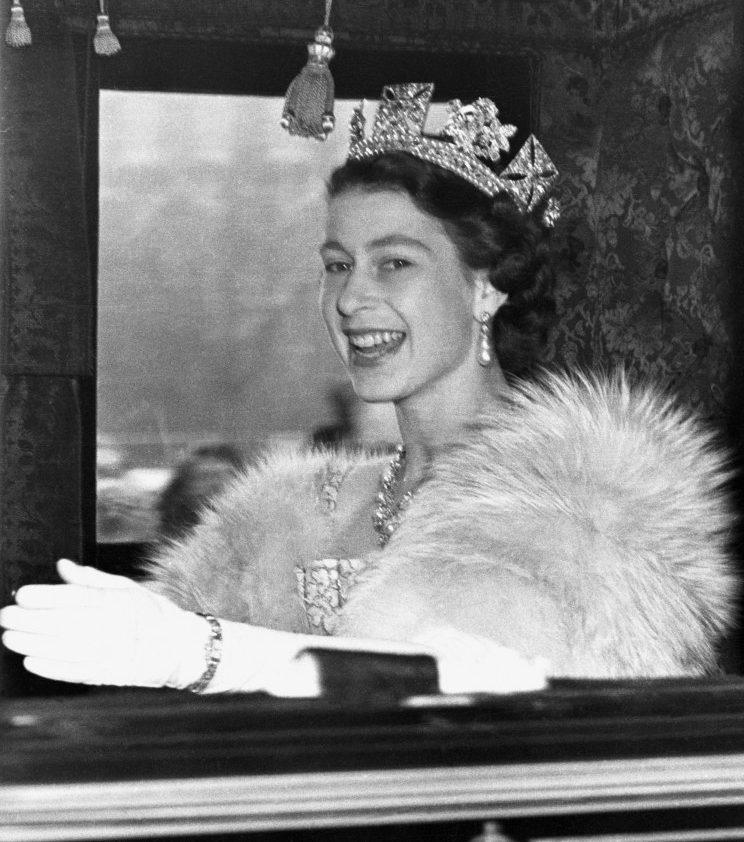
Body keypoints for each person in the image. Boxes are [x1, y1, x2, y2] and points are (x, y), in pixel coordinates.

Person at [0, 83, 736, 697]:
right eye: (336, 263)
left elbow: (496, 701)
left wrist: (204, 653)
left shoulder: (599, 501)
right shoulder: (285, 516)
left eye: (395, 263)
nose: (350, 298)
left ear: (486, 287)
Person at [156, 443, 245, 541]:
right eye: (204, 477)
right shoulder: (172, 531)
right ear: (186, 486)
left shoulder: (251, 520)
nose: (214, 484)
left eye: (219, 475)